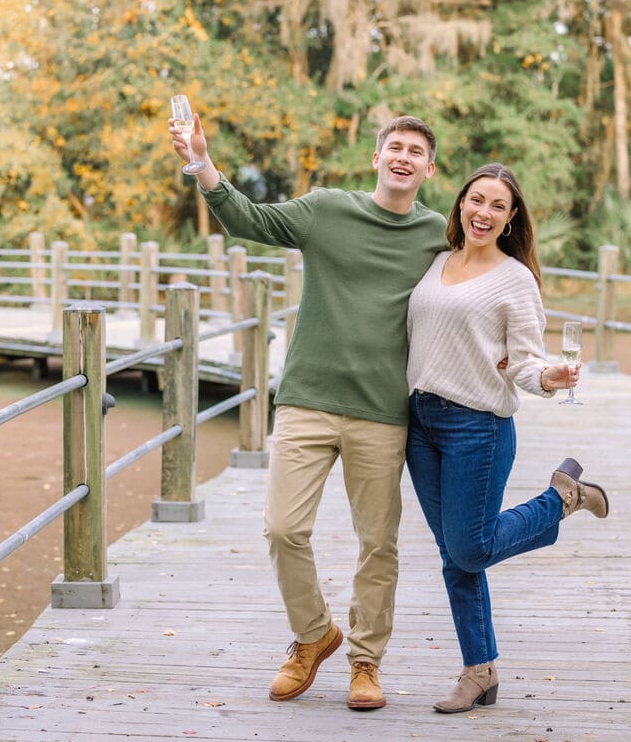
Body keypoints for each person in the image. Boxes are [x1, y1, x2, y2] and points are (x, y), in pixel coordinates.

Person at [169, 112, 447, 710]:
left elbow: (477, 290)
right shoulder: (326, 210)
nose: (403, 157)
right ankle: (313, 635)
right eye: (393, 147)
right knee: (282, 528)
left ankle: (366, 662)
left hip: (382, 410)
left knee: (379, 542)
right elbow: (252, 220)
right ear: (376, 159)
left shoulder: (437, 236)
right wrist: (203, 165)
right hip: (307, 399)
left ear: (429, 167)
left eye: (415, 151)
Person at [403, 162, 610, 714]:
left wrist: (550, 377)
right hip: (420, 425)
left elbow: (524, 360)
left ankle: (561, 498)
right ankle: (480, 672)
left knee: (470, 548)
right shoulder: (437, 263)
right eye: (476, 200)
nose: (484, 213)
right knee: (456, 557)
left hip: (478, 428)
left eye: (498, 205)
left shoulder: (515, 278)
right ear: (460, 205)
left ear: (511, 217)